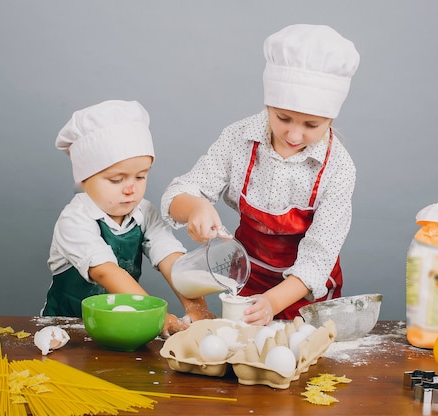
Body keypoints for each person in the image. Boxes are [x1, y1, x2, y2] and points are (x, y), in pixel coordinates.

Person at [161, 24, 360, 326]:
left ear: (331, 117)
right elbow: (179, 193)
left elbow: (318, 259)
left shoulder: (339, 168)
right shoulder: (238, 138)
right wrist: (195, 207)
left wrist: (273, 302)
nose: (294, 134)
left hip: (304, 299)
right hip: (247, 284)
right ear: (268, 103)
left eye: (312, 125)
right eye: (283, 118)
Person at [42, 100, 214, 337]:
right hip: (69, 330)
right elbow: (106, 272)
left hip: (121, 326)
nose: (130, 189)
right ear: (84, 178)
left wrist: (196, 306)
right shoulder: (74, 219)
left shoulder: (145, 212)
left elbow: (171, 259)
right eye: (116, 180)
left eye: (141, 177)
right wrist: (156, 314)